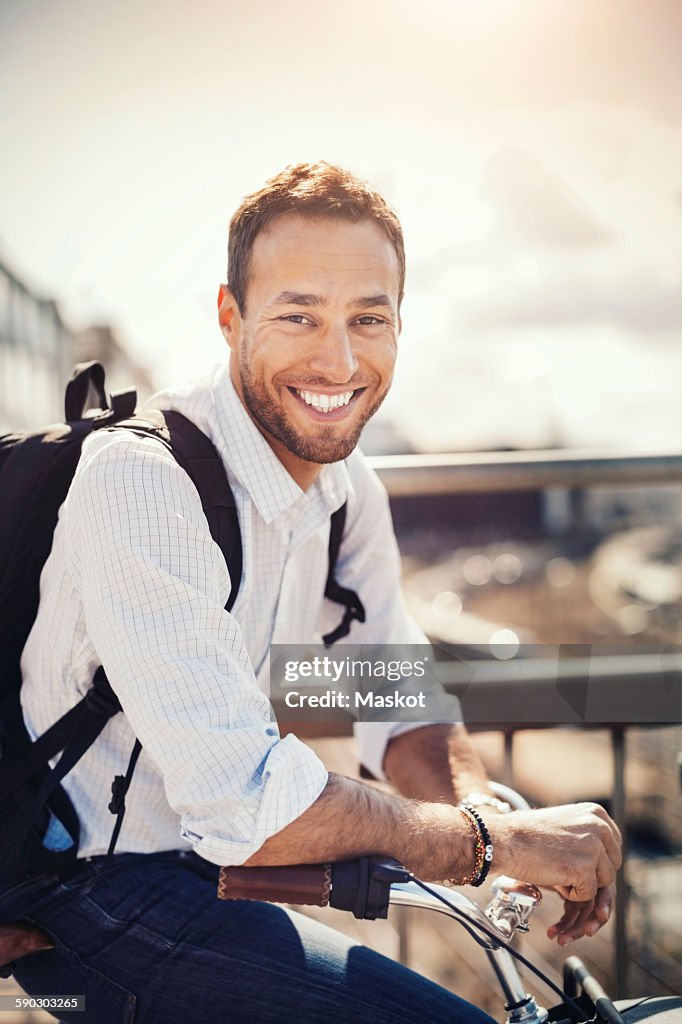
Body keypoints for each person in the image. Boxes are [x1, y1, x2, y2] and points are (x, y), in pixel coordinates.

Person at [4, 162, 621, 1024]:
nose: (338, 358)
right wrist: (490, 845)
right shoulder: (143, 482)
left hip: (213, 871)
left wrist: (481, 811)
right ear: (230, 317)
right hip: (92, 897)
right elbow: (251, 808)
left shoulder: (345, 490)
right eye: (298, 315)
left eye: (368, 319)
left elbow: (393, 693)